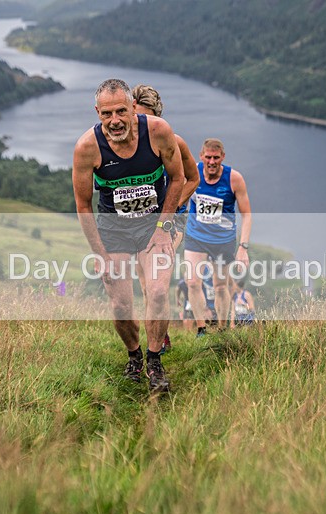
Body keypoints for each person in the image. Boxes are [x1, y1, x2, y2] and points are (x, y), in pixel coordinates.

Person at [72, 78, 184, 392]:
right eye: (107, 114)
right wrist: (100, 254)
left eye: (122, 111)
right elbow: (83, 203)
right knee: (121, 304)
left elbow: (178, 179)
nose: (115, 120)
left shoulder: (158, 131)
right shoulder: (87, 147)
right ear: (97, 112)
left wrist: (164, 228)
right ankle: (134, 356)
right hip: (114, 230)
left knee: (159, 292)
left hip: (153, 227)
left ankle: (154, 361)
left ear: (133, 109)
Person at [131, 83, 200, 353]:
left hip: (172, 219)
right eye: (139, 115)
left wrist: (171, 208)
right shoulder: (129, 146)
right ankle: (163, 333)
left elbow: (193, 179)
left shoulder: (174, 140)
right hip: (140, 220)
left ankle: (156, 346)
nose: (144, 121)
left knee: (157, 281)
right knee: (146, 286)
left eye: (150, 116)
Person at [184, 138, 252, 335]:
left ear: (222, 157)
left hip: (223, 241)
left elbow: (246, 215)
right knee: (193, 282)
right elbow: (178, 195)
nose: (212, 162)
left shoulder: (234, 179)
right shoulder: (193, 172)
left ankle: (222, 329)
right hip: (195, 236)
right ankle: (201, 329)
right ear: (201, 156)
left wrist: (243, 247)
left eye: (216, 158)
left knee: (220, 287)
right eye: (208, 157)